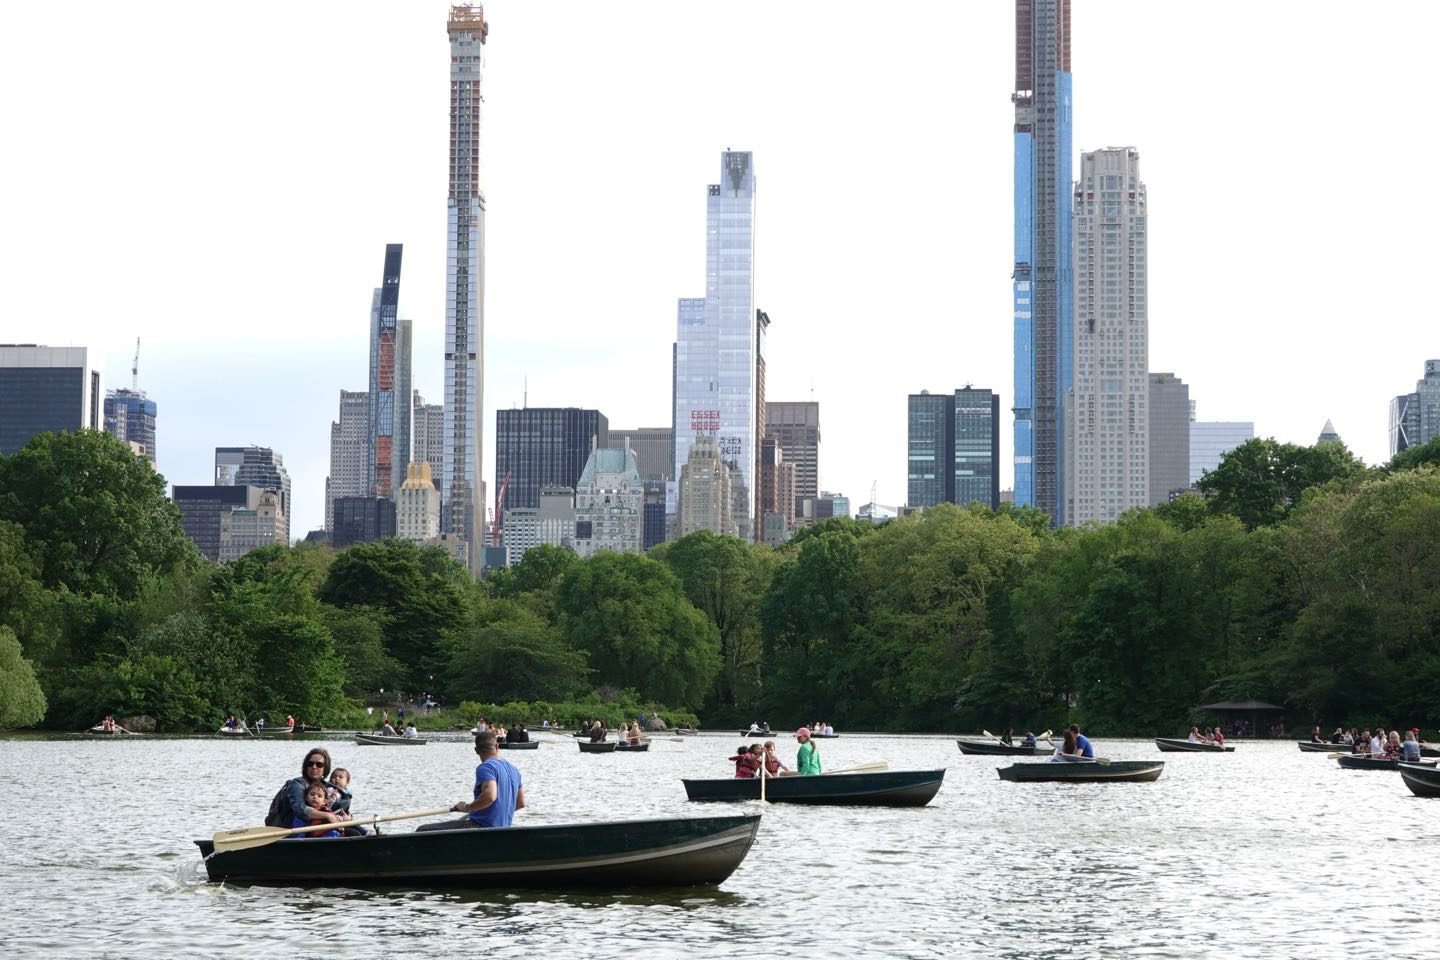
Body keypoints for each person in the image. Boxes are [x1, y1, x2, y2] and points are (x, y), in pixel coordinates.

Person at [419, 730, 526, 832]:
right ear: (497, 746)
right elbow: (521, 803)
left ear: (476, 750)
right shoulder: (514, 770)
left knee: (422, 830)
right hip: (503, 829)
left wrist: (467, 807)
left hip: (481, 827)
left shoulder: (486, 767)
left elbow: (490, 796)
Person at [282, 748, 344, 830]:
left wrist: (346, 817)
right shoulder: (297, 784)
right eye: (310, 764)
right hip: (295, 829)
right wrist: (327, 815)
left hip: (317, 826)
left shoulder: (325, 786)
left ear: (325, 768)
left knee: (354, 831)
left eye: (319, 764)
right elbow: (300, 808)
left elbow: (335, 807)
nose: (314, 767)